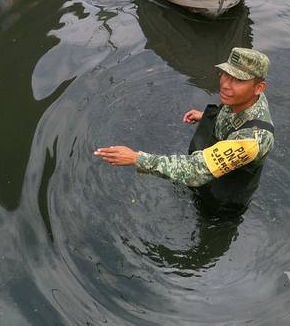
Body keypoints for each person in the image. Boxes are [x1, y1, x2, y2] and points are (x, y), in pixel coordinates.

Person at [94, 47, 275, 213]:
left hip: (223, 201)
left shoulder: (252, 140)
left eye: (238, 80)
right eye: (225, 74)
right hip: (214, 175)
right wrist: (206, 116)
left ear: (259, 88)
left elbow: (195, 171)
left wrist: (136, 158)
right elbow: (234, 112)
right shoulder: (246, 98)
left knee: (212, 224)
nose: (225, 85)